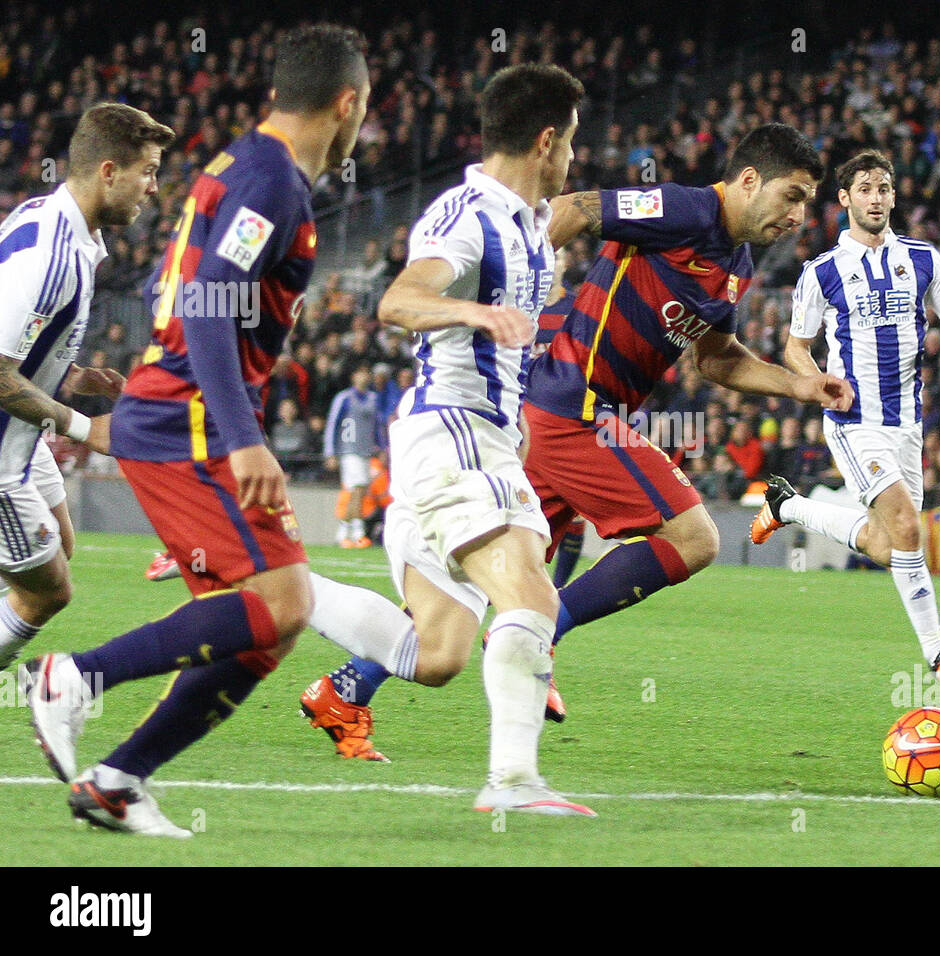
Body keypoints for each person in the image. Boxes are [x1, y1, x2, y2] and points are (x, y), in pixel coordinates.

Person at [309, 123, 852, 737]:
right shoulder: (684, 208)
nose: (800, 214)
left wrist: (799, 385)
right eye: (794, 195)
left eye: (807, 201)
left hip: (563, 418)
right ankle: (541, 639)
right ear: (749, 180)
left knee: (480, 584)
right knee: (694, 537)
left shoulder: (737, 262)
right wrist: (523, 285)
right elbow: (575, 208)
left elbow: (717, 358)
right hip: (574, 409)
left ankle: (344, 690)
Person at [23, 25, 370, 837]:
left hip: (178, 409)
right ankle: (71, 679)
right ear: (346, 103)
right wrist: (245, 433)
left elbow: (163, 285)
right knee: (284, 599)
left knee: (261, 630)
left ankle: (116, 781)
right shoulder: (273, 181)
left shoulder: (239, 167)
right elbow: (211, 299)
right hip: (191, 422)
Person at [299, 64, 597, 814]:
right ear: (547, 139)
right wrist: (472, 315)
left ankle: (275, 582)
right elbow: (399, 300)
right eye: (571, 142)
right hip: (454, 437)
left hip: (483, 441)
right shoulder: (469, 214)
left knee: (435, 657)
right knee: (531, 599)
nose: (573, 160)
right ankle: (513, 785)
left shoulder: (532, 226)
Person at [749, 149, 940, 687]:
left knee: (888, 544)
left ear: (893, 197)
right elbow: (796, 348)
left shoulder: (924, 259)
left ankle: (788, 506)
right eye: (865, 189)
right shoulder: (822, 271)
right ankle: (939, 654)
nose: (876, 198)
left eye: (884, 189)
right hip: (855, 422)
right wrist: (815, 384)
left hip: (907, 424)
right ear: (845, 199)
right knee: (905, 526)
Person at [0, 103, 154, 667]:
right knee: (49, 591)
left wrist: (69, 374)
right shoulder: (52, 256)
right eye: (148, 171)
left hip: (19, 434)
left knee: (60, 547)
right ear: (110, 171)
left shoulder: (58, 224)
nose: (154, 188)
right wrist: (88, 429)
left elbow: (16, 340)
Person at [324, 364, 385, 547]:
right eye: (361, 372)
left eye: (367, 373)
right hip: (349, 450)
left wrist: (381, 448)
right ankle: (356, 532)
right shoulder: (344, 398)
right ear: (354, 376)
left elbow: (377, 426)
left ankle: (346, 532)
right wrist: (330, 452)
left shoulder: (373, 399)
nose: (364, 377)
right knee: (358, 489)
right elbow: (333, 424)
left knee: (358, 491)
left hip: (366, 451)